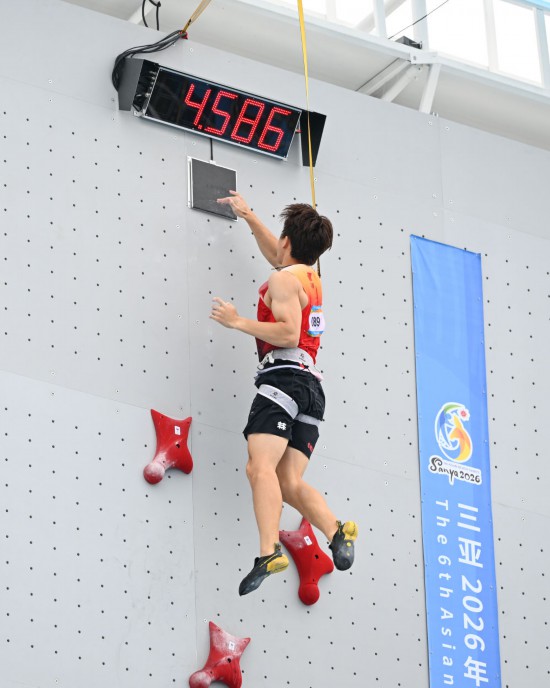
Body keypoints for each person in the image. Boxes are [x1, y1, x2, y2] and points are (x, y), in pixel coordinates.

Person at [210, 191, 358, 596]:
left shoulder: (281, 280)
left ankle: (267, 552)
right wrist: (248, 217)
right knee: (288, 481)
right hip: (312, 390)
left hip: (283, 382)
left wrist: (237, 322)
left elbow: (289, 333)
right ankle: (336, 530)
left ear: (288, 241)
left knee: (259, 468)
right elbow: (278, 257)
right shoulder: (310, 278)